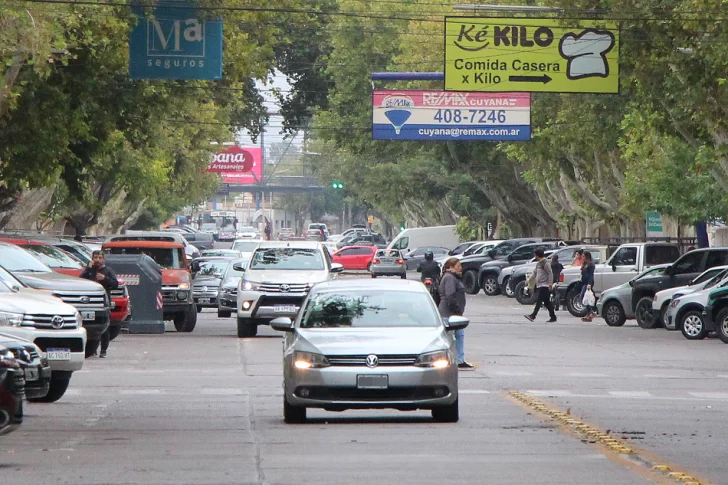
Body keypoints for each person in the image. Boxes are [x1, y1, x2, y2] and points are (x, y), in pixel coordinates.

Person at [80, 251, 119, 358]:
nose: (97, 260)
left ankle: (103, 349)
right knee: (89, 326)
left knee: (104, 327)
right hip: (89, 303)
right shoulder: (89, 271)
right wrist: (88, 269)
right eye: (95, 257)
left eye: (100, 257)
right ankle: (91, 349)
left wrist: (105, 278)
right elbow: (80, 280)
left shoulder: (108, 271)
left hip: (103, 303)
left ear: (103, 259)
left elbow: (115, 284)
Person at [438, 258, 474, 370]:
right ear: (451, 266)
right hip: (449, 314)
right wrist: (457, 310)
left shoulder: (453, 277)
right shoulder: (449, 277)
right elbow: (450, 296)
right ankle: (453, 360)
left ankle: (459, 360)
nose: (461, 268)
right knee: (450, 337)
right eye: (458, 266)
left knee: (459, 336)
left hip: (454, 314)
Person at [524, 248, 556, 323]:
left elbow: (550, 273)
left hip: (544, 285)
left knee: (539, 300)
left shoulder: (546, 263)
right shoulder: (538, 263)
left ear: (537, 255)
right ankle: (553, 317)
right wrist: (528, 280)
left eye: (535, 255)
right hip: (540, 285)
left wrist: (550, 284)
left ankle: (533, 315)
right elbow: (534, 273)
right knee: (547, 303)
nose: (534, 256)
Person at [580, 251, 597, 322]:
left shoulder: (591, 265)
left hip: (588, 283)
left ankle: (591, 312)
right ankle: (590, 313)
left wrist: (589, 284)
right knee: (589, 298)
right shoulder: (584, 264)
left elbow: (591, 275)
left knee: (582, 297)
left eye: (583, 256)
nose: (582, 257)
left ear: (587, 257)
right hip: (584, 282)